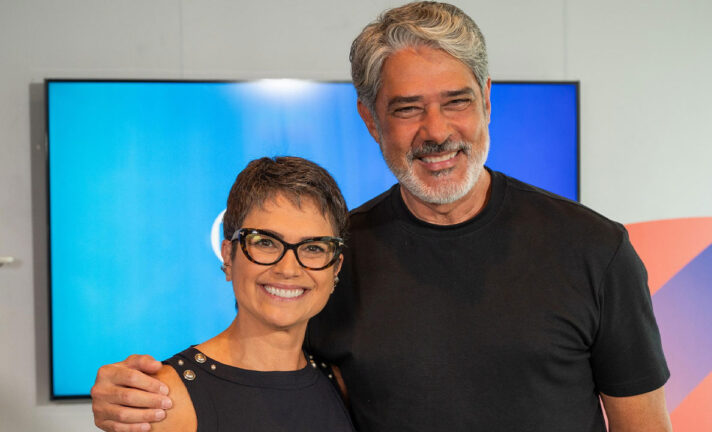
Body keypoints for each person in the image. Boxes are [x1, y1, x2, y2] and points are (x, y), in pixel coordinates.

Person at [91, 2, 672, 431]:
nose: (438, 132)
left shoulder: (596, 249)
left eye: (457, 101)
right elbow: (258, 379)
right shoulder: (332, 255)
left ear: (488, 99)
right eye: (407, 109)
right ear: (371, 120)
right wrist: (136, 393)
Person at [125, 156, 356, 432]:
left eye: (314, 248)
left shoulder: (339, 386)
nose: (288, 269)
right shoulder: (163, 400)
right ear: (228, 257)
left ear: (335, 269)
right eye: (266, 243)